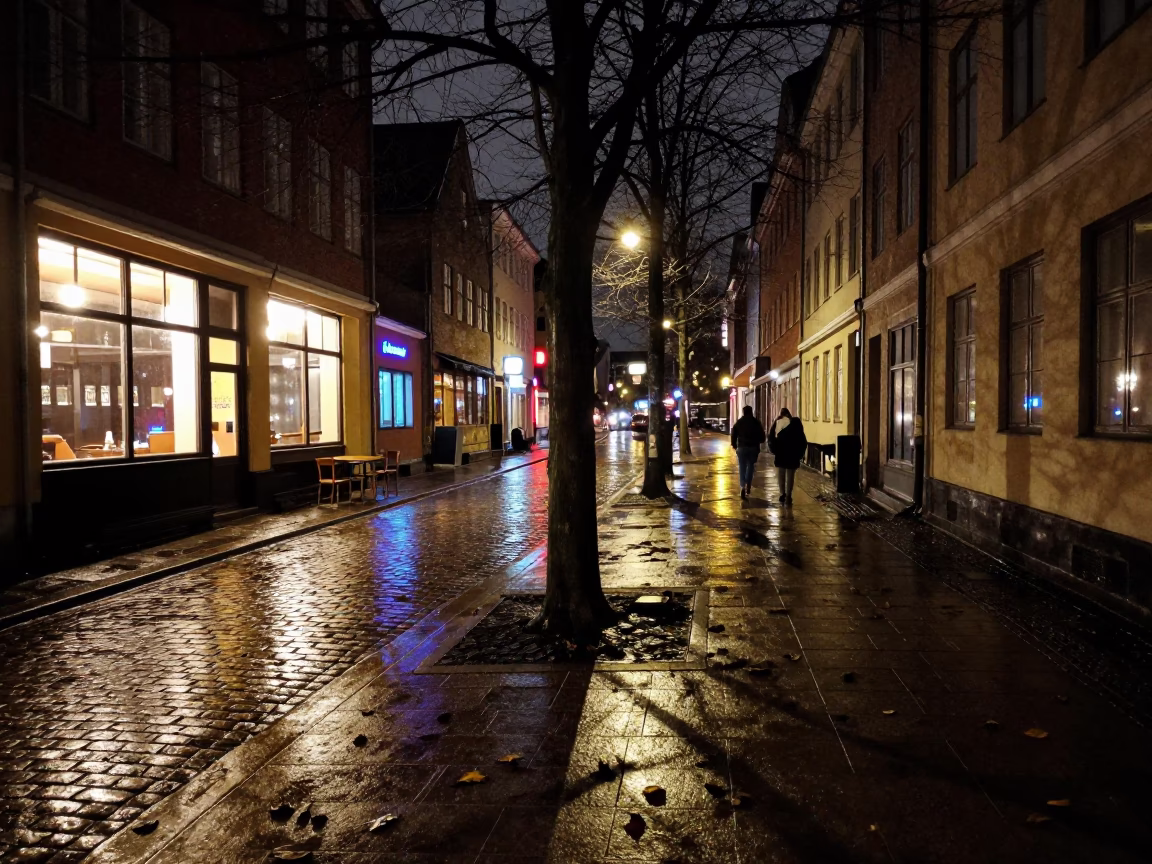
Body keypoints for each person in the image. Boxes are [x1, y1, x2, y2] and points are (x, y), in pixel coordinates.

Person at [768, 407, 807, 505]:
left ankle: (782, 493)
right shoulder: (796, 424)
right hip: (792, 454)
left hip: (781, 453)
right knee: (790, 475)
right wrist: (800, 454)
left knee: (781, 474)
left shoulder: (777, 423)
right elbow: (802, 440)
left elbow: (771, 437)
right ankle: (788, 496)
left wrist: (773, 450)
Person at [730, 405, 766, 500]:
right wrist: (758, 441)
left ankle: (742, 486)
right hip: (753, 448)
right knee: (750, 466)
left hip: (741, 447)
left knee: (742, 467)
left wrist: (734, 445)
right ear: (751, 412)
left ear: (743, 412)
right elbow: (762, 436)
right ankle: (748, 484)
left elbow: (733, 433)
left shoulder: (739, 422)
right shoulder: (756, 422)